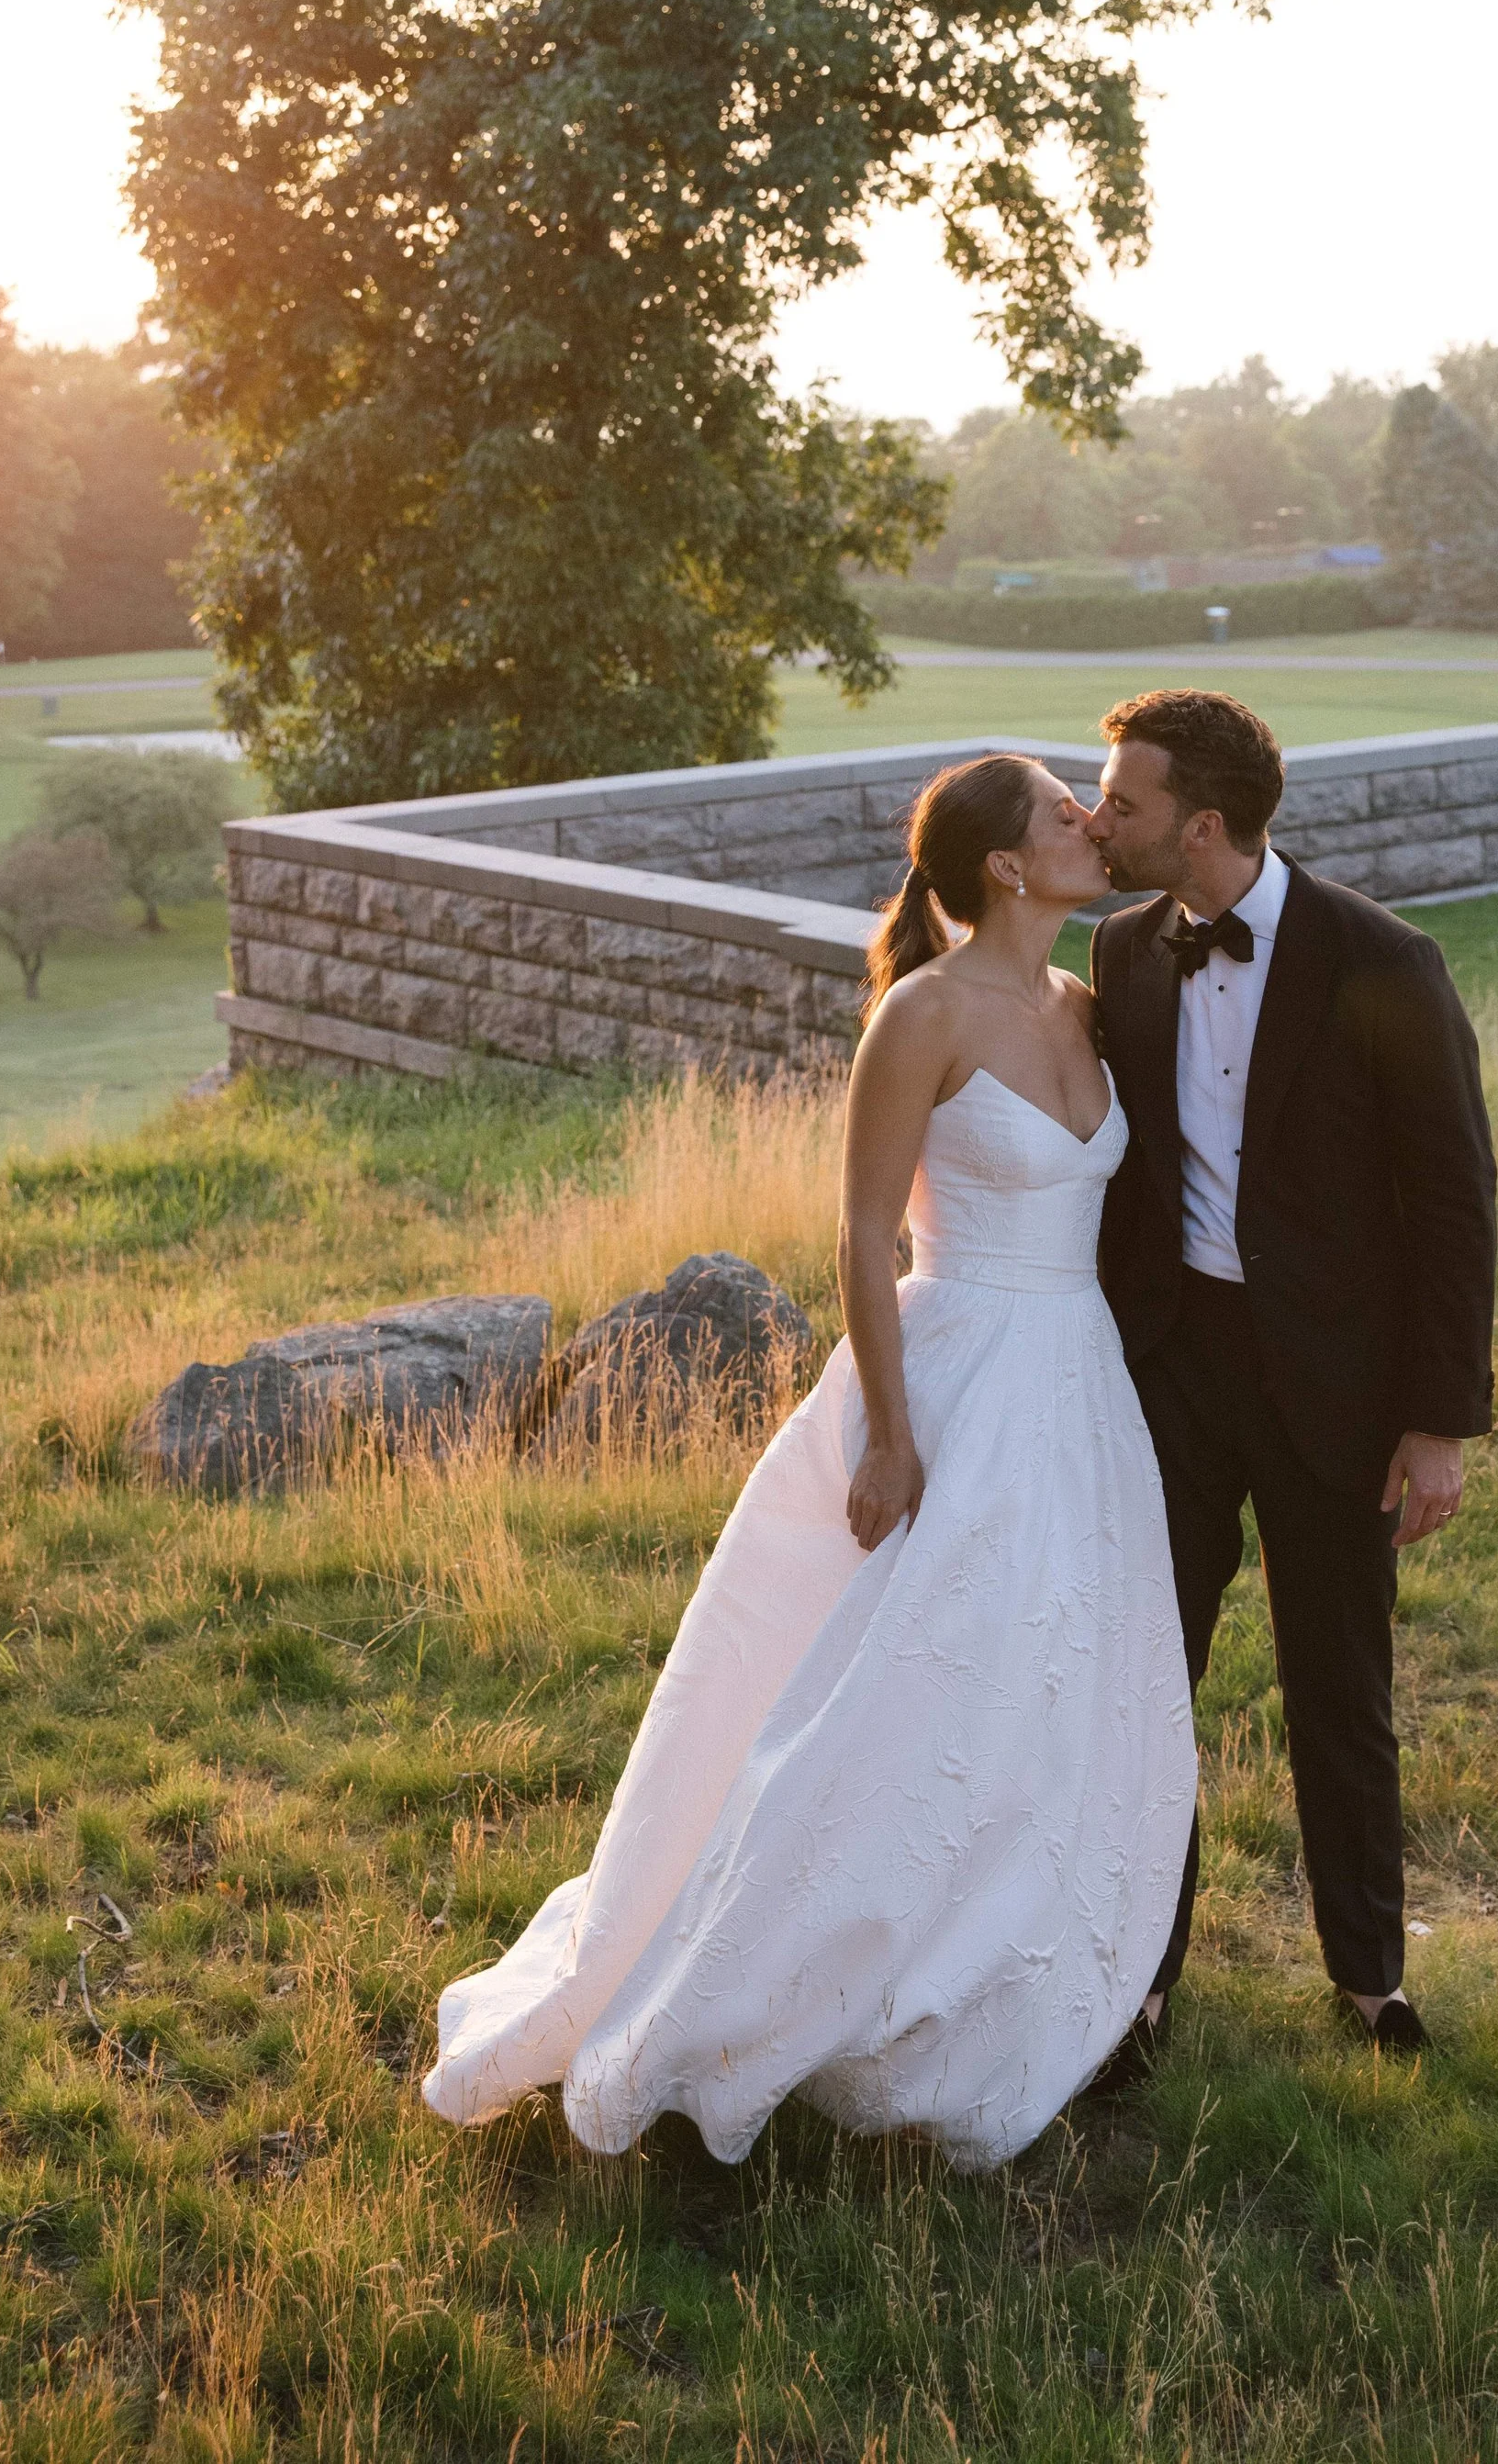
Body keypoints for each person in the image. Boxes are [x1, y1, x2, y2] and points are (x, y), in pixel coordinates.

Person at [420, 754, 1196, 2165]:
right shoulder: (923, 1013)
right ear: (1008, 868)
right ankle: (770, 1984)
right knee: (879, 1698)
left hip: (1078, 1389)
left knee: (1042, 1680)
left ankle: (991, 1962)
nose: (1092, 824)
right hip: (955, 1373)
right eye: (1061, 814)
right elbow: (858, 1234)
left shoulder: (1083, 1005)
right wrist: (892, 1432)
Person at [1084, 686, 1495, 2060]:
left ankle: (1370, 1971)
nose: (1101, 818)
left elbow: (1453, 1200)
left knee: (1340, 1679)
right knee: (1155, 1675)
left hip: (1341, 1386)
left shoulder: (1387, 961)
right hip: (1176, 1371)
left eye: (1124, 801)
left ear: (1202, 824)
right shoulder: (1122, 949)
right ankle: (1141, 1972)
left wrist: (1438, 1420)